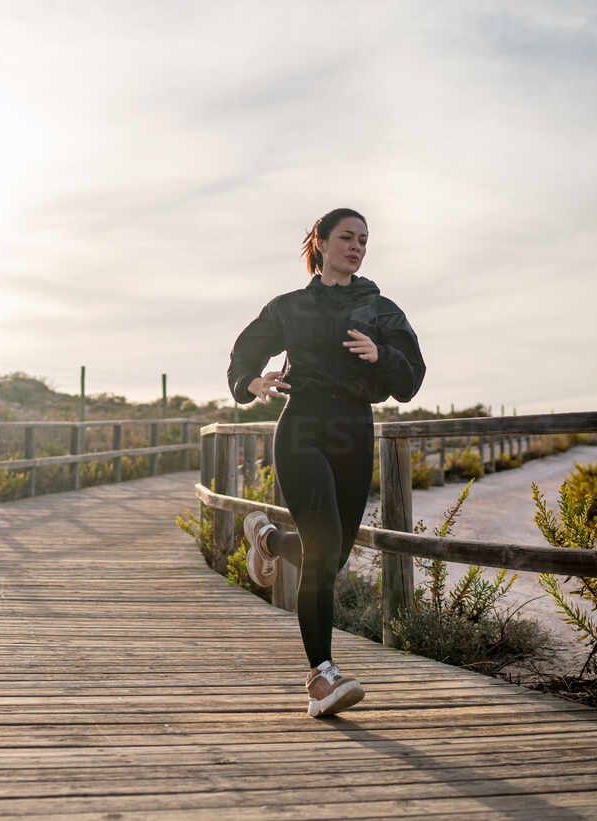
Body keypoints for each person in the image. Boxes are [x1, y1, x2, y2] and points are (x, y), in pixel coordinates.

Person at [227, 207, 425, 717]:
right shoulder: (290, 306)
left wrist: (382, 355)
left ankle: (269, 540)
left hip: (354, 432)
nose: (356, 246)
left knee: (332, 555)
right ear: (321, 240)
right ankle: (321, 675)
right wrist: (251, 382)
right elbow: (246, 351)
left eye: (363, 239)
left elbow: (411, 378)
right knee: (323, 550)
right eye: (346, 237)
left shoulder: (381, 309)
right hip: (302, 430)